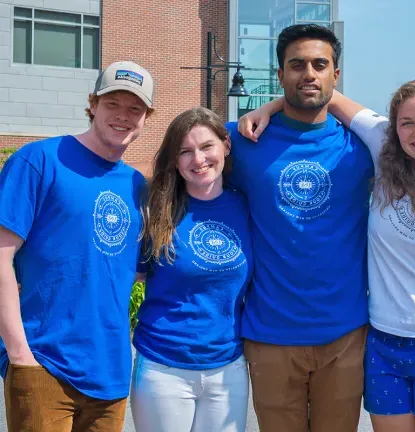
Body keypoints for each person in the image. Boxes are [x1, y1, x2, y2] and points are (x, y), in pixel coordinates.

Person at [240, 79, 415, 432]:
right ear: (395, 127)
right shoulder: (384, 148)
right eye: (407, 122)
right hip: (384, 343)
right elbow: (327, 94)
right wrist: (269, 107)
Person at [225, 24, 374, 432]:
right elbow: (180, 158)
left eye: (319, 65)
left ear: (335, 76)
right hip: (270, 333)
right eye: (297, 65)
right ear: (280, 76)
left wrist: (268, 105)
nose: (308, 73)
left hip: (345, 332)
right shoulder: (241, 140)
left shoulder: (361, 147)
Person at [0, 61, 154, 432]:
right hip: (43, 363)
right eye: (113, 104)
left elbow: (134, 272)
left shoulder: (138, 187)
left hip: (111, 373)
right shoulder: (39, 161)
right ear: (93, 104)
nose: (123, 116)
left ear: (146, 117)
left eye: (135, 108)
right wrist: (20, 353)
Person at [130, 107, 252, 432]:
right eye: (185, 151)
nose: (198, 159)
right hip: (162, 367)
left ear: (226, 144)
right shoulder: (157, 209)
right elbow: (129, 276)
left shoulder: (248, 206)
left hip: (228, 367)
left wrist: (268, 108)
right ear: (174, 160)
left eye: (206, 146)